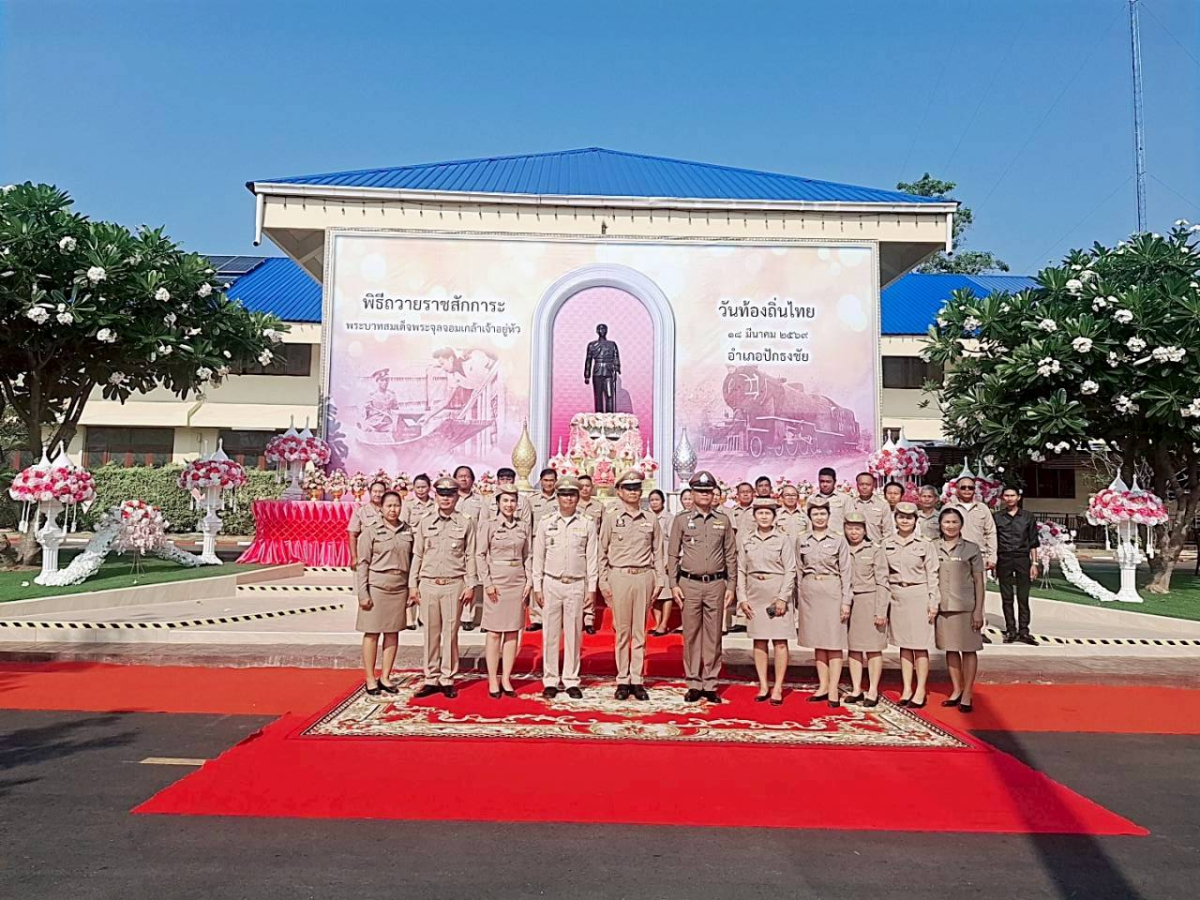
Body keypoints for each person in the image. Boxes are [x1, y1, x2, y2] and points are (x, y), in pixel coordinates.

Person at [668, 471, 738, 704]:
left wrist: (732, 585)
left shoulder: (723, 520)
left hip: (716, 584)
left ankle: (710, 682)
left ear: (714, 494)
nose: (705, 495)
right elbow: (672, 554)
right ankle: (693, 682)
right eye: (700, 491)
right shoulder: (681, 520)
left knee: (713, 635)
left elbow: (730, 554)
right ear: (692, 494)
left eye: (708, 492)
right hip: (689, 584)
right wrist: (673, 584)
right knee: (691, 635)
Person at [599, 469, 666, 700]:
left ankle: (637, 679)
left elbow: (658, 551)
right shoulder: (611, 518)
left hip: (644, 577)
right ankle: (622, 679)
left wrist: (660, 579)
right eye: (628, 488)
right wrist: (603, 582)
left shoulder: (651, 519)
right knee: (622, 631)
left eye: (636, 488)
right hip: (620, 576)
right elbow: (602, 551)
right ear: (619, 491)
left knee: (640, 631)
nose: (632, 492)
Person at [409, 477, 478, 699]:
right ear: (435, 496)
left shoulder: (466, 522)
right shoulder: (424, 521)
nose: (446, 498)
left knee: (450, 634)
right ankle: (430, 677)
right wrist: (413, 584)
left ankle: (447, 678)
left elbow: (470, 555)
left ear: (457, 497)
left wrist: (470, 584)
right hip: (429, 583)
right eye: (442, 494)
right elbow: (417, 554)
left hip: (453, 584)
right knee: (430, 634)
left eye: (450, 495)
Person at [531, 476, 598, 699]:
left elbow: (592, 558)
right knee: (550, 633)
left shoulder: (587, 523)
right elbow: (538, 556)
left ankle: (571, 679)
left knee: (573, 634)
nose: (568, 498)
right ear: (557, 497)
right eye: (563, 494)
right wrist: (537, 586)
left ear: (578, 497)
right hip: (551, 582)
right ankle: (550, 679)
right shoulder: (546, 522)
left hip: (576, 583)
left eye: (572, 494)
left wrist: (592, 588)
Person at [737, 498, 796, 705]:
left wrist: (783, 597)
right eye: (760, 513)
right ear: (754, 516)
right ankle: (763, 684)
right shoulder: (746, 539)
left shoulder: (782, 539)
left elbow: (791, 569)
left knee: (780, 642)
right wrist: (742, 598)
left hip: (775, 593)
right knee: (759, 640)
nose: (763, 517)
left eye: (767, 513)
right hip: (755, 594)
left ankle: (778, 686)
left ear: (774, 516)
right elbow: (741, 569)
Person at [354, 491, 413, 695]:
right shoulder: (371, 531)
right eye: (389, 505)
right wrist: (362, 593)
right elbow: (362, 563)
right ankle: (370, 678)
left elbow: (414, 561)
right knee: (371, 633)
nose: (393, 509)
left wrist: (411, 590)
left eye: (396, 505)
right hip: (377, 587)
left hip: (399, 587)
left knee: (392, 632)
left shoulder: (408, 531)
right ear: (382, 508)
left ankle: (386, 676)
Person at [795, 495, 852, 706]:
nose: (819, 517)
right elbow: (799, 571)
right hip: (811, 592)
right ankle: (822, 685)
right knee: (818, 641)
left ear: (829, 516)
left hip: (832, 591)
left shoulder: (838, 540)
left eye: (823, 514)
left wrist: (846, 601)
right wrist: (801, 597)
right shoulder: (802, 539)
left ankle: (834, 689)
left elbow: (846, 572)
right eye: (815, 514)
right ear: (809, 517)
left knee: (833, 641)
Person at [476, 484, 532, 698]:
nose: (509, 505)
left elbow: (528, 555)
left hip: (517, 581)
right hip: (496, 583)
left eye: (512, 501)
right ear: (498, 503)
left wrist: (529, 580)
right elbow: (480, 555)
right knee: (493, 632)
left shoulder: (523, 526)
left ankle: (506, 678)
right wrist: (487, 582)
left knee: (512, 631)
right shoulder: (489, 525)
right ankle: (492, 678)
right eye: (505, 501)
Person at [883, 502, 939, 708]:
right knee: (904, 645)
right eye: (901, 516)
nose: (905, 520)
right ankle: (907, 687)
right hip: (897, 595)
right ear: (895, 518)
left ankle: (921, 688)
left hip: (919, 594)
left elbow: (932, 574)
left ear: (916, 520)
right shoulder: (887, 543)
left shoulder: (925, 544)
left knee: (920, 645)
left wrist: (934, 601)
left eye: (909, 517)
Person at [935, 507, 985, 713]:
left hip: (966, 606)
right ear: (940, 524)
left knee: (969, 650)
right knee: (951, 649)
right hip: (943, 606)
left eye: (955, 522)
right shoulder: (933, 547)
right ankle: (956, 689)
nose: (950, 526)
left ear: (961, 525)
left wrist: (978, 611)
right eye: (946, 522)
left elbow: (979, 582)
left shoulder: (971, 549)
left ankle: (967, 693)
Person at [842, 511, 890, 707]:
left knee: (872, 648)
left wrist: (881, 610)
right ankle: (856, 688)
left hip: (869, 600)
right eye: (850, 528)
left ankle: (872, 689)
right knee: (853, 648)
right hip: (848, 601)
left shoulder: (874, 550)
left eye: (858, 528)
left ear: (864, 530)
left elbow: (882, 581)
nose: (854, 532)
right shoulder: (842, 548)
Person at [946, 476, 997, 643]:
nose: (967, 490)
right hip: (954, 555)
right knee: (953, 591)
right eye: (963, 487)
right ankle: (955, 627)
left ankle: (979, 628)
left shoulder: (982, 509)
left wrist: (992, 555)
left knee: (978, 591)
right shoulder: (950, 507)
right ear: (957, 489)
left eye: (970, 488)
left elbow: (991, 532)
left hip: (978, 556)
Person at [994, 486, 1040, 645]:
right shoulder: (997, 517)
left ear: (1018, 497)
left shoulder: (1027, 517)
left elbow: (1033, 541)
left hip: (1022, 559)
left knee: (1023, 597)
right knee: (1006, 597)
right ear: (1002, 498)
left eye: (1012, 495)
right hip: (1004, 558)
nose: (1010, 498)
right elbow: (993, 541)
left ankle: (1024, 631)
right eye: (1006, 496)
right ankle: (1011, 630)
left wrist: (1034, 563)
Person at [453, 465, 486, 631]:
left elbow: (483, 524)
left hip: (473, 544)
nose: (464, 479)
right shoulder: (450, 498)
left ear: (472, 480)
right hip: (453, 545)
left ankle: (468, 616)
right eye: (460, 476)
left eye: (467, 476)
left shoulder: (480, 501)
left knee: (471, 580)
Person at [526, 468, 559, 632]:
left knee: (554, 578)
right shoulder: (532, 500)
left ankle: (553, 615)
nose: (548, 483)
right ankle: (536, 617)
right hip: (535, 544)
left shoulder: (560, 500)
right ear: (540, 481)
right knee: (536, 579)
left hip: (555, 543)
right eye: (545, 480)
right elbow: (528, 524)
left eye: (551, 480)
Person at [577, 474, 607, 635]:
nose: (585, 488)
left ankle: (589, 618)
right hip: (575, 548)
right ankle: (576, 617)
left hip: (593, 549)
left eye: (588, 485)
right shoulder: (572, 504)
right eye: (581, 486)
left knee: (590, 583)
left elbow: (603, 530)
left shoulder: (598, 506)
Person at [648, 489, 675, 636]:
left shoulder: (669, 518)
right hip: (650, 560)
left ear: (663, 502)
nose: (654, 503)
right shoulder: (646, 517)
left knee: (666, 594)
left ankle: (664, 624)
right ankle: (657, 623)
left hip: (664, 559)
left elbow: (674, 541)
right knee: (655, 595)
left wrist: (671, 560)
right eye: (651, 500)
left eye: (657, 500)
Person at [347, 479, 388, 566]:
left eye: (381, 492)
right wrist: (354, 557)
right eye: (375, 491)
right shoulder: (360, 511)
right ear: (369, 492)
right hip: (365, 554)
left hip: (386, 555)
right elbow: (352, 535)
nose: (377, 494)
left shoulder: (390, 511)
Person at [850, 472, 895, 543]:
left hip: (876, 548)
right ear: (857, 485)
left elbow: (888, 532)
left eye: (868, 484)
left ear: (874, 485)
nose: (864, 487)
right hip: (854, 548)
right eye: (861, 484)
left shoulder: (882, 505)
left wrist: (882, 548)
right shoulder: (850, 503)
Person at [813, 467, 847, 531]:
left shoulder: (845, 499)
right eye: (822, 481)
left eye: (828, 482)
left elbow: (850, 523)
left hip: (839, 539)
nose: (825, 484)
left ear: (835, 482)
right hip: (817, 539)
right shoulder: (812, 499)